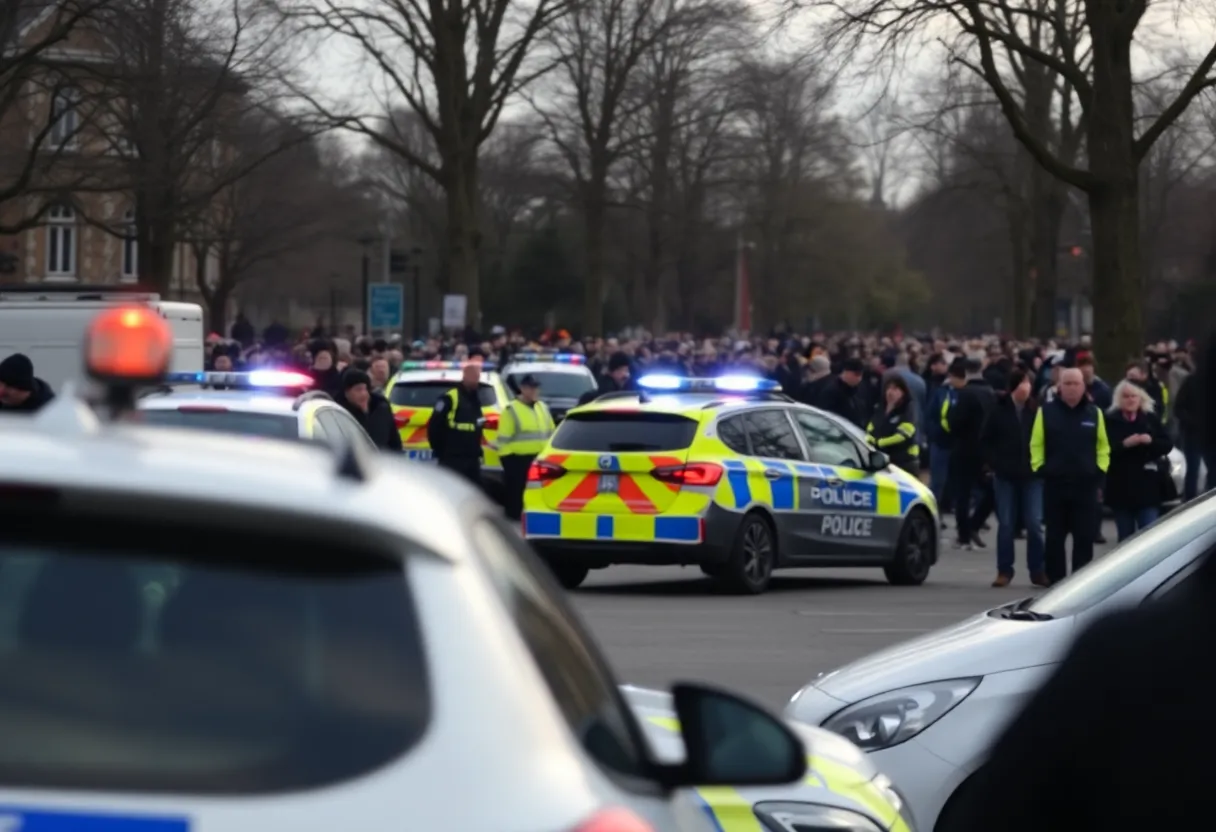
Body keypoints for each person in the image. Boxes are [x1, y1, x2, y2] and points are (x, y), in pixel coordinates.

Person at [1030, 367, 1110, 584]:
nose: (1072, 388)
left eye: (1076, 383)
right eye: (1068, 383)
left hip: (1085, 487)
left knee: (1084, 538)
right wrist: (1040, 468)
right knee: (1054, 538)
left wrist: (1100, 470)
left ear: (1083, 386)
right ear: (1060, 387)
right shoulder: (1045, 411)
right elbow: (1036, 443)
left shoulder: (1095, 413)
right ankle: (1056, 583)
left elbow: (1103, 446)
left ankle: (1080, 583)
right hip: (1055, 486)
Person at [982, 369, 1046, 587]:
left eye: (1029, 383)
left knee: (1034, 523)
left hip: (1033, 475)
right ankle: (1004, 570)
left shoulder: (1036, 410)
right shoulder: (998, 409)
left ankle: (1037, 570)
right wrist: (995, 464)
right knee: (1006, 524)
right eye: (1022, 384)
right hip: (1005, 475)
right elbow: (986, 440)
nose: (1026, 388)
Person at [1104, 380, 1172, 541]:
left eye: (1134, 396)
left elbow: (1167, 445)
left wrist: (1150, 441)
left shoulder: (1150, 419)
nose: (1130, 400)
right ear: (1119, 399)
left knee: (1149, 537)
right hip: (1121, 487)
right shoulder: (1110, 420)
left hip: (1148, 487)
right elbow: (1103, 450)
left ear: (1140, 398)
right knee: (1125, 539)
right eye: (1126, 396)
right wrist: (1124, 444)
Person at [945, 358, 996, 550]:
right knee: (991, 490)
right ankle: (976, 522)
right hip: (985, 452)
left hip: (964, 450)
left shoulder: (965, 394)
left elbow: (954, 423)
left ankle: (964, 534)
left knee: (962, 495)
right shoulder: (991, 394)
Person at [498, 374, 556, 521]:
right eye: (531, 388)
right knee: (516, 495)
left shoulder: (542, 407)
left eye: (536, 388)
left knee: (538, 493)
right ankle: (513, 520)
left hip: (539, 458)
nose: (535, 391)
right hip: (518, 460)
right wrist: (509, 463)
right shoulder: (511, 410)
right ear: (523, 389)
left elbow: (551, 432)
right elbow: (503, 440)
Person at [427, 362, 486, 485]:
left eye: (477, 378)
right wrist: (440, 451)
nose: (476, 381)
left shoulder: (475, 398)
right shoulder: (450, 397)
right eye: (474, 377)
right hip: (452, 458)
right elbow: (434, 426)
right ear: (465, 377)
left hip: (471, 458)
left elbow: (476, 426)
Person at [338, 368, 402, 452]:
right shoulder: (339, 414)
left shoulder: (381, 409)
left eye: (366, 389)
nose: (364, 394)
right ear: (346, 393)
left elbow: (395, 444)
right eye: (358, 389)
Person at [866, 375, 919, 475]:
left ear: (903, 392)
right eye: (888, 388)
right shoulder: (880, 408)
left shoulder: (908, 409)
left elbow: (903, 435)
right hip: (883, 459)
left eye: (895, 389)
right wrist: (869, 438)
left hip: (904, 462)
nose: (890, 392)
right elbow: (871, 426)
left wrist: (880, 442)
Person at [817, 357, 868, 428]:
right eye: (856, 374)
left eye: (861, 375)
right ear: (846, 372)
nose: (859, 378)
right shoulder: (832, 391)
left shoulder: (859, 389)